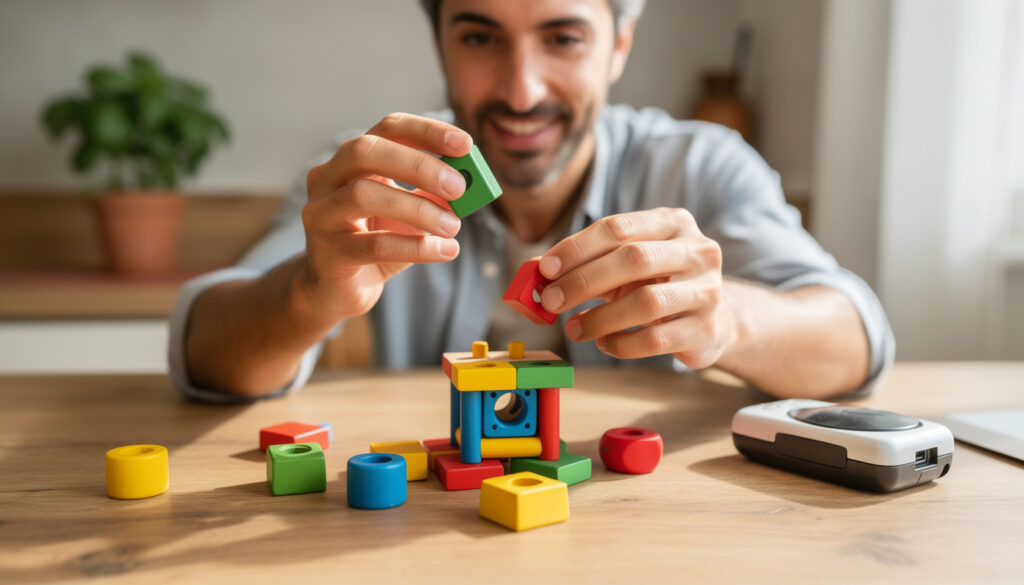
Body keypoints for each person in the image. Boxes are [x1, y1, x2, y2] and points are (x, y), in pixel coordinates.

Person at [168, 0, 893, 403]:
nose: (521, 90)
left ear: (618, 46)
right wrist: (307, 295)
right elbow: (203, 348)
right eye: (481, 36)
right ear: (440, 43)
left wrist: (730, 318)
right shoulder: (374, 180)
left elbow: (857, 339)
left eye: (563, 38)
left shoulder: (699, 165)